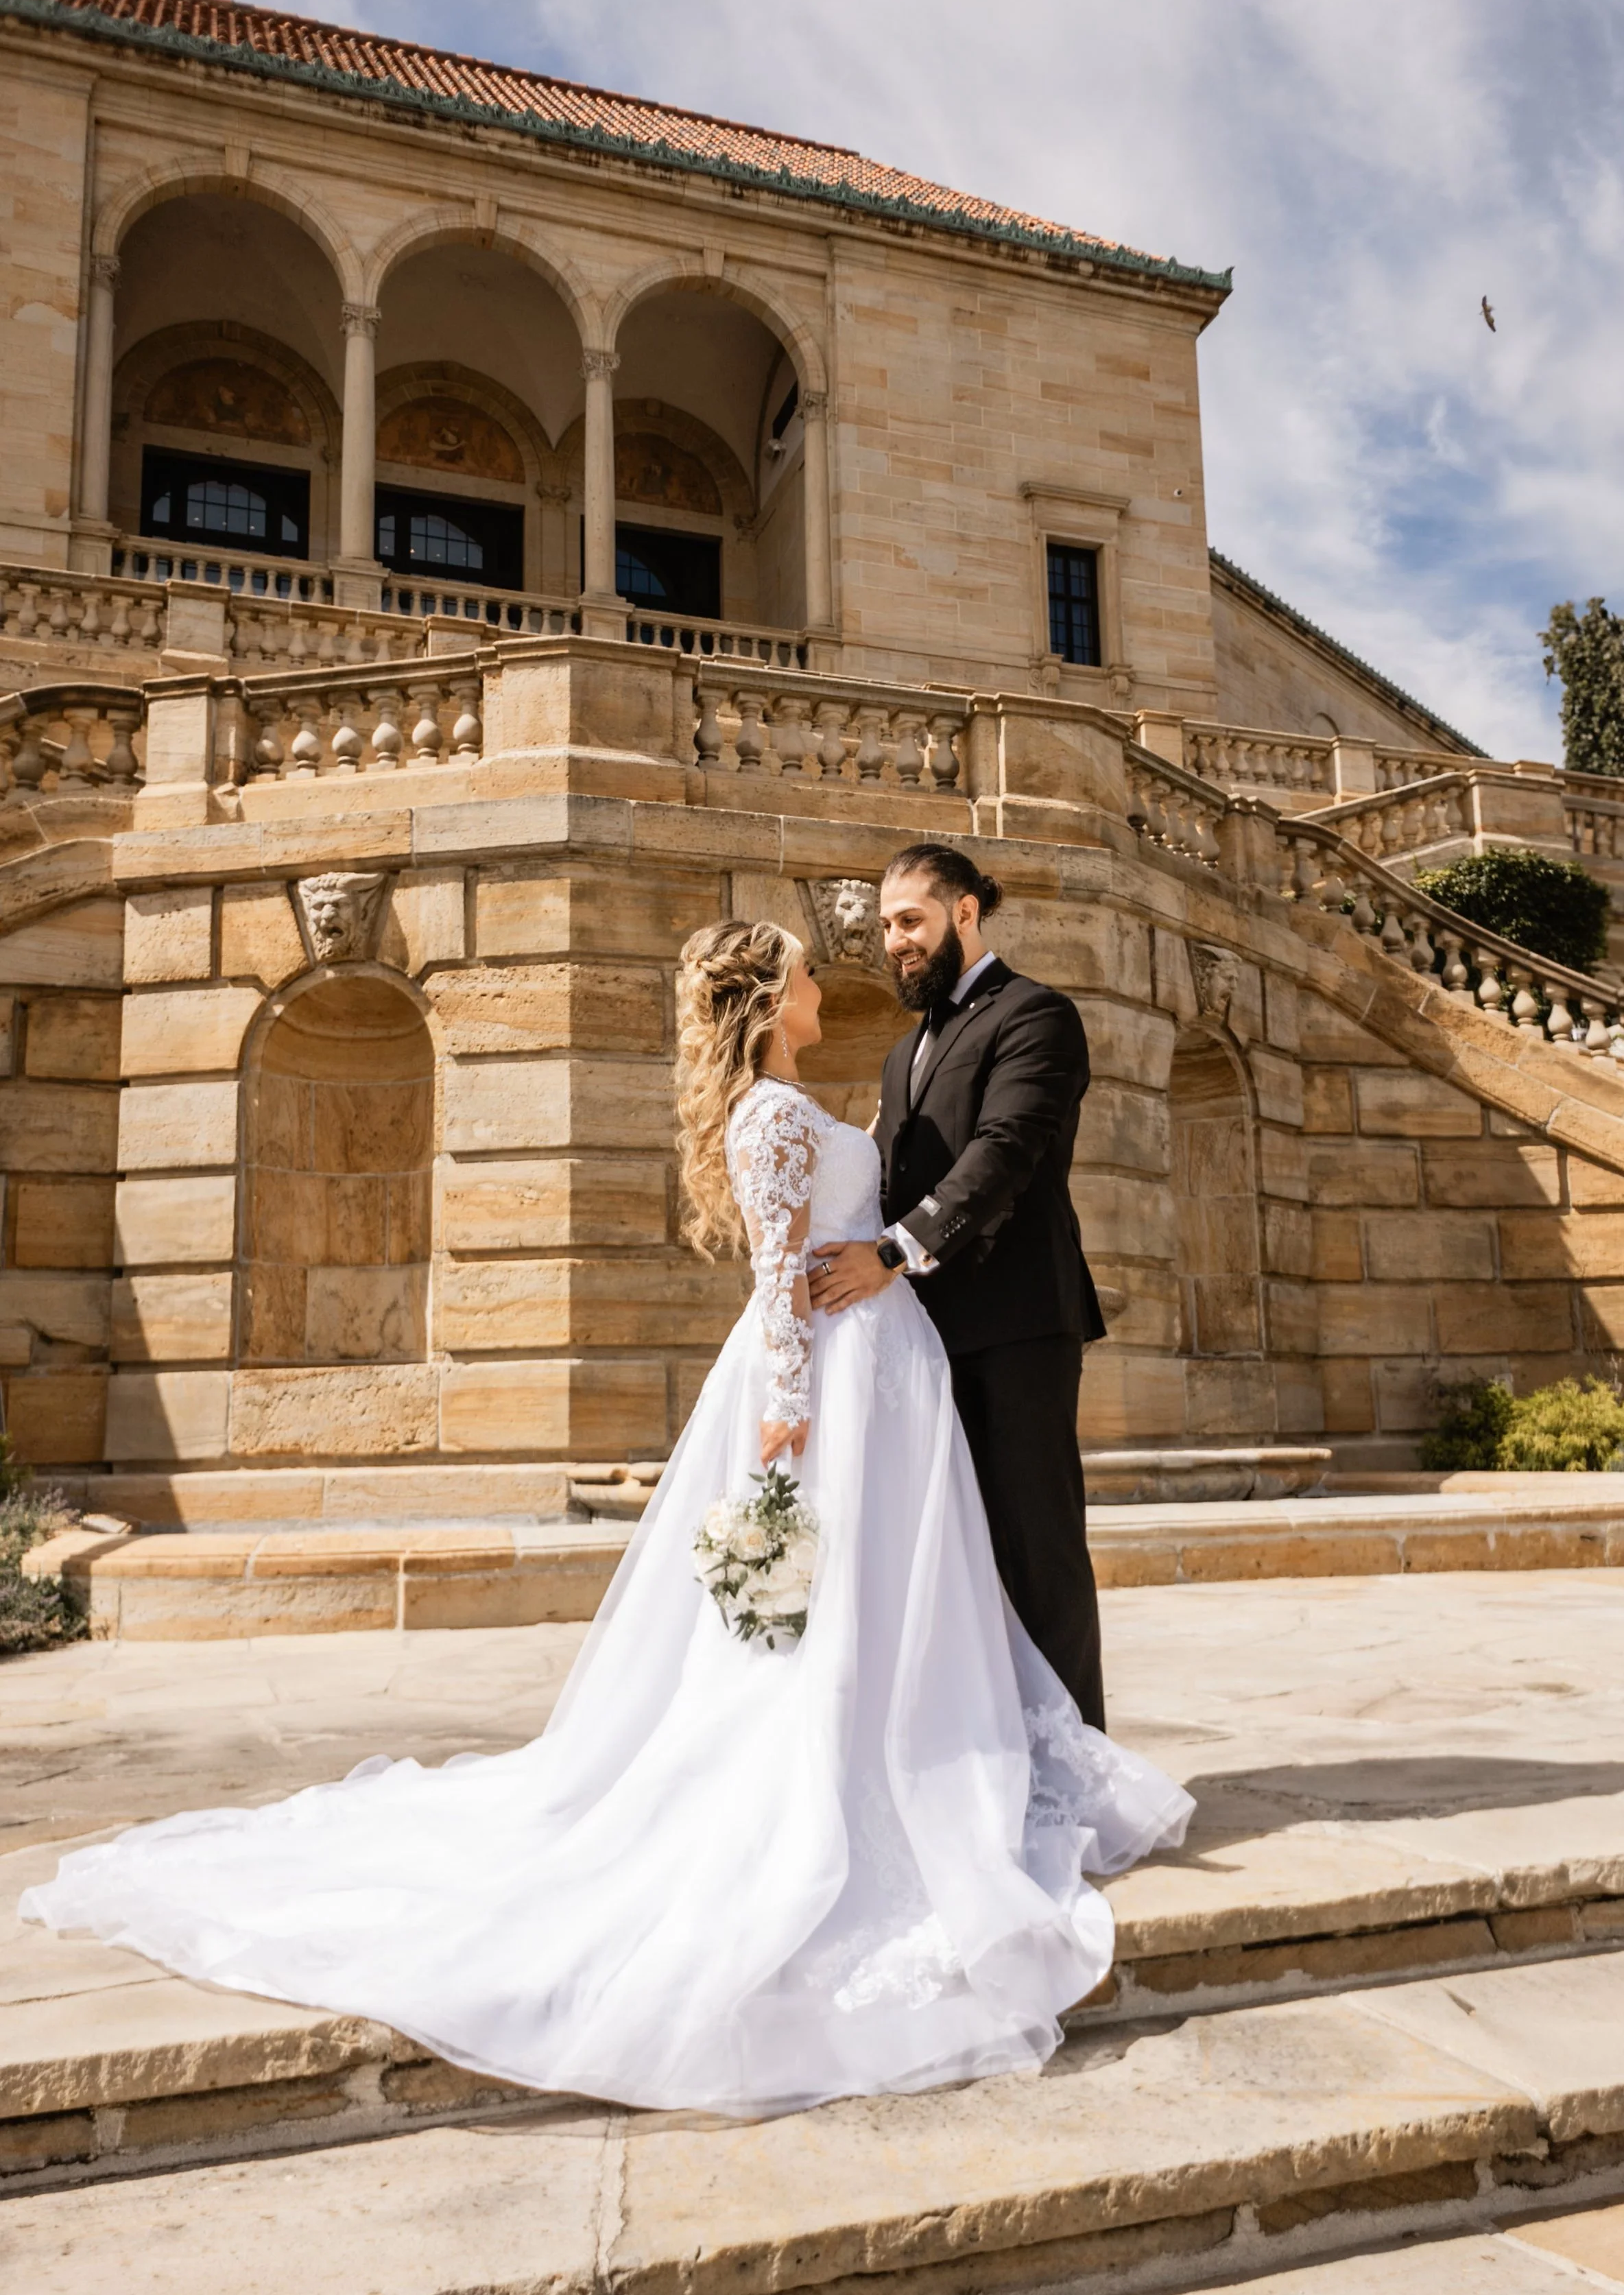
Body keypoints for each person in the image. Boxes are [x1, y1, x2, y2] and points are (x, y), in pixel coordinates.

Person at [19, 922, 1189, 2118]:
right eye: (800, 970)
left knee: (887, 1586)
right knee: (824, 1592)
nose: (819, 983)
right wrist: (785, 1424)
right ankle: (841, 1775)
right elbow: (778, 1279)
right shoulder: (770, 1118)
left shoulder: (794, 1096)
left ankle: (901, 1741)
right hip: (828, 1382)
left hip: (883, 1369)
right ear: (767, 994)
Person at [809, 844, 1107, 1727]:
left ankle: (1074, 1768)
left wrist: (892, 1256)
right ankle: (984, 1760)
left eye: (912, 920)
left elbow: (1003, 1155)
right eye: (888, 925)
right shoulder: (903, 1053)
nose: (895, 941)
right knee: (945, 1558)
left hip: (1017, 1330)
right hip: (921, 1342)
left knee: (1034, 1551)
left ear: (966, 912)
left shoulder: (1037, 1016)